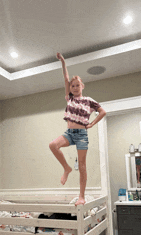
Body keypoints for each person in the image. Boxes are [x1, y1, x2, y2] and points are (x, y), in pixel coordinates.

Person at [49, 53, 106, 206]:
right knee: (52, 145)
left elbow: (103, 112)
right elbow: (65, 78)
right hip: (69, 133)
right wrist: (63, 61)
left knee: (82, 166)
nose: (74, 87)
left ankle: (81, 196)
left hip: (81, 135)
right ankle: (66, 168)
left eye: (77, 85)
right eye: (72, 86)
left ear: (82, 86)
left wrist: (92, 124)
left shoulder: (88, 100)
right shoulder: (69, 98)